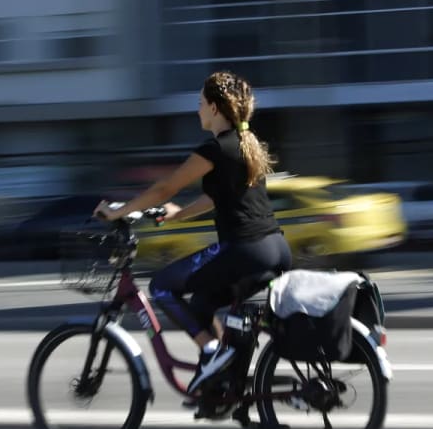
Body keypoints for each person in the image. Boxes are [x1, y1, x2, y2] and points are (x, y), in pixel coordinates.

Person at [95, 71, 292, 396]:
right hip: (274, 247)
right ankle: (224, 380)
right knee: (200, 303)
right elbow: (219, 197)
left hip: (244, 249)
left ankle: (213, 354)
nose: (197, 109)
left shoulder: (215, 149)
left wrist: (118, 211)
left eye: (200, 103)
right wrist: (180, 215)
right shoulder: (248, 143)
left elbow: (164, 188)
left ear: (215, 108)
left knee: (161, 287)